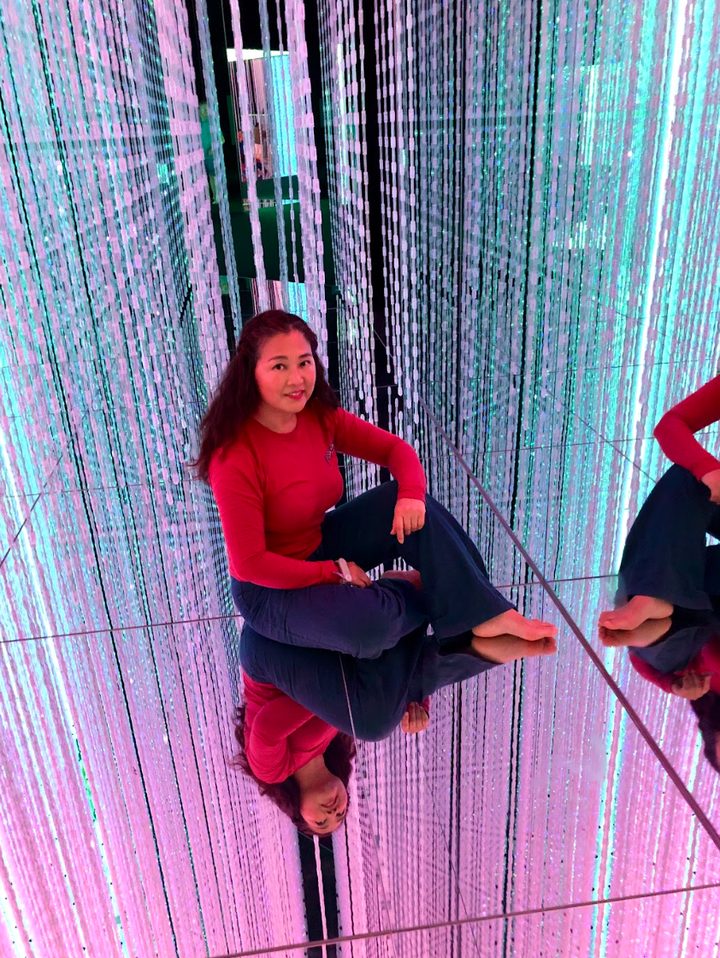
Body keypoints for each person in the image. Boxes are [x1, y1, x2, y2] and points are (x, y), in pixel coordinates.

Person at [193, 309, 558, 660]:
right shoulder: (235, 456)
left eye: (304, 362)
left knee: (410, 505)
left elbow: (394, 449)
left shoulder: (319, 416)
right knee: (370, 632)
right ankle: (416, 587)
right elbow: (250, 565)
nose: (297, 379)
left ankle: (483, 613)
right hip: (269, 590)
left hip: (319, 543)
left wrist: (412, 496)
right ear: (250, 373)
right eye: (279, 366)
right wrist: (335, 572)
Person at [235, 614, 555, 836]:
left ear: (297, 813)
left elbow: (267, 725)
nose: (333, 811)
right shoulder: (332, 738)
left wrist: (342, 697)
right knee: (407, 689)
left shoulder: (272, 770)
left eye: (321, 822)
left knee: (375, 721)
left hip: (271, 651)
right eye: (340, 814)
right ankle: (501, 645)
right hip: (314, 652)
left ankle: (466, 634)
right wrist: (415, 705)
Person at [598, 372, 720, 775]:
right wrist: (708, 469)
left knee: (659, 638)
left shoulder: (702, 692)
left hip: (693, 616)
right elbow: (670, 427)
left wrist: (671, 687)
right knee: (690, 477)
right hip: (698, 594)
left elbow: (643, 662)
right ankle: (655, 597)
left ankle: (652, 601)